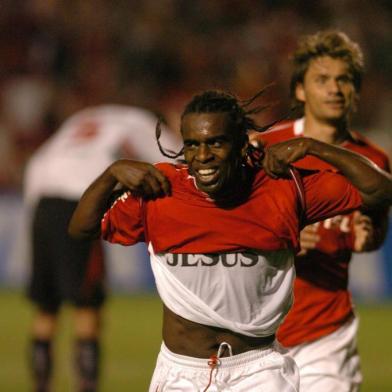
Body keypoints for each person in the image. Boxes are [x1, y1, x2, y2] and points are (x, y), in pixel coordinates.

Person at [68, 89, 392, 392]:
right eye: (192, 144)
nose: (202, 156)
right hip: (180, 372)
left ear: (241, 145)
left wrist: (314, 147)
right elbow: (81, 229)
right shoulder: (161, 191)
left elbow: (380, 190)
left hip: (259, 371)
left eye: (216, 143)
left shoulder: (283, 188)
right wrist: (112, 173)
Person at [252, 30, 391, 391]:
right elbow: (226, 229)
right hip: (255, 333)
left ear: (355, 91)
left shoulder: (373, 162)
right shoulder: (264, 148)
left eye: (344, 80)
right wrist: (281, 237)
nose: (334, 89)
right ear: (300, 90)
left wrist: (371, 238)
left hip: (326, 332)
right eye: (322, 79)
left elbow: (373, 233)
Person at [23, 104, 179, 392]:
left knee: (46, 308)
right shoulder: (139, 120)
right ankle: (87, 386)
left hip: (41, 202)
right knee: (87, 307)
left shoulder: (84, 114)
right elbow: (172, 157)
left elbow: (39, 159)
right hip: (79, 204)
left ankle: (40, 386)